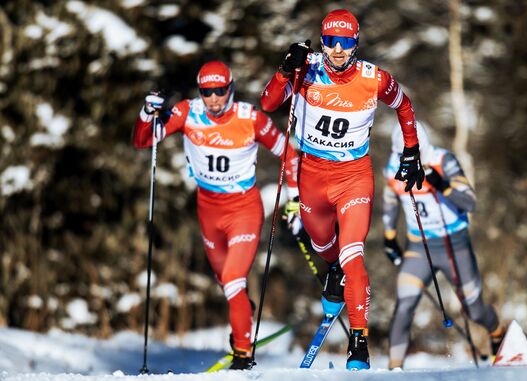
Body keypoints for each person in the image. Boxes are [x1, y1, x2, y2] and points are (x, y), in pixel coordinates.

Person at [261, 9, 425, 370]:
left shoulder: (374, 79)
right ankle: (333, 266)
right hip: (312, 177)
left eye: (345, 43)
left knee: (353, 256)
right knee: (322, 244)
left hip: (354, 177)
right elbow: (269, 103)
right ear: (323, 42)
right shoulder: (307, 69)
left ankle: (359, 344)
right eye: (331, 42)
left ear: (355, 44)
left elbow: (405, 105)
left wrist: (412, 150)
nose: (337, 50)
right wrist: (285, 70)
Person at [132, 61, 299, 370]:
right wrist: (147, 113)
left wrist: (294, 198)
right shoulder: (187, 112)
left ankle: (242, 354)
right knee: (227, 284)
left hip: (244, 209)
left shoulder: (251, 118)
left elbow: (288, 153)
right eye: (207, 92)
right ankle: (242, 311)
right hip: (208, 210)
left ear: (230, 89)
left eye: (220, 91)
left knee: (234, 280)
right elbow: (143, 141)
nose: (213, 99)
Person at [383, 122, 504, 369]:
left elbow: (470, 203)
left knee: (475, 311)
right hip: (418, 248)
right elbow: (390, 200)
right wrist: (389, 236)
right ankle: (394, 369)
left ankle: (498, 334)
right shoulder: (393, 166)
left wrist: (443, 185)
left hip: (454, 246)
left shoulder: (444, 160)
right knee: (404, 306)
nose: (405, 161)